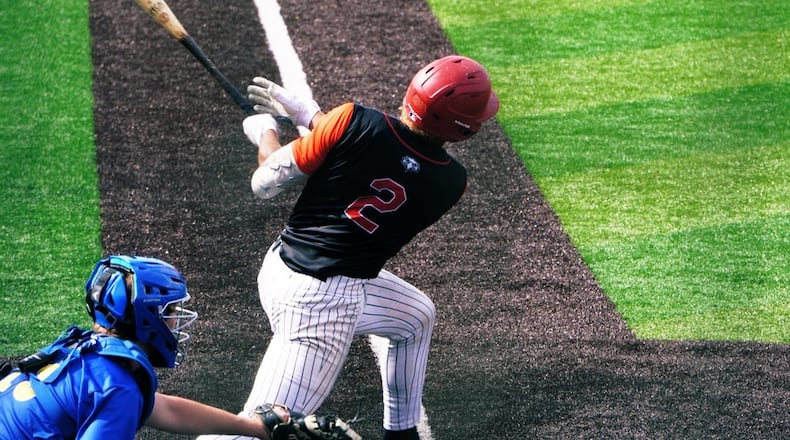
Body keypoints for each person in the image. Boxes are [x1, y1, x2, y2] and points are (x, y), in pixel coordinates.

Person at [225, 55, 499, 440]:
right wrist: (310, 116)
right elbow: (384, 161)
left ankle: (401, 435)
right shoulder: (450, 183)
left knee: (415, 317)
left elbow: (264, 182)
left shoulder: (351, 120)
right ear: (463, 130)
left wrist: (267, 131)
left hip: (286, 270)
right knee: (256, 430)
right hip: (323, 306)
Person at [0, 255, 352, 440]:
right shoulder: (118, 384)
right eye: (169, 311)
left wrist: (254, 427)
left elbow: (163, 409)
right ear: (147, 317)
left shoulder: (87, 353)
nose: (175, 321)